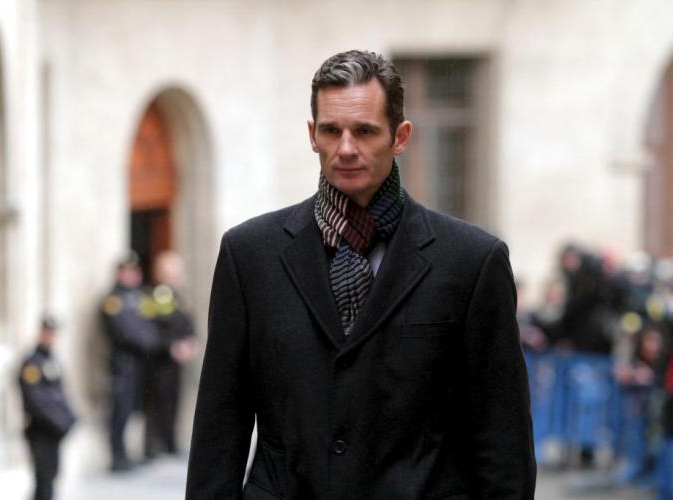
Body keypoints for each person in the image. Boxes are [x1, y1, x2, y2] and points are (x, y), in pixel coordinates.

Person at [187, 50, 536, 499]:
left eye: (365, 131)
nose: (346, 148)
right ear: (312, 135)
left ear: (400, 136)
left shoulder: (471, 261)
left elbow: (503, 443)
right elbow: (219, 429)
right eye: (331, 130)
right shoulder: (249, 255)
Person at [101, 251, 164, 471]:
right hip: (123, 363)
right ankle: (117, 456)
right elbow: (124, 332)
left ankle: (136, 451)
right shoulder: (113, 301)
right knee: (121, 410)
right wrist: (148, 342)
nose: (134, 275)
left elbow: (153, 323)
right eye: (129, 271)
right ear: (120, 273)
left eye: (136, 271)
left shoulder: (141, 297)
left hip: (141, 364)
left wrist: (153, 341)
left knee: (137, 408)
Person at [144, 251, 198, 458]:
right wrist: (171, 346)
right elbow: (155, 326)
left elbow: (186, 322)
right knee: (158, 402)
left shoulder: (181, 294)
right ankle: (154, 445)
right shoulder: (157, 295)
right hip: (161, 360)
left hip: (178, 359)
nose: (175, 275)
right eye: (170, 271)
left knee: (175, 400)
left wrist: (191, 341)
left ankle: (170, 441)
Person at [18, 315, 76, 500]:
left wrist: (69, 418)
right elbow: (36, 401)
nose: (51, 337)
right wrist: (59, 422)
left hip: (53, 432)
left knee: (51, 476)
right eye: (48, 333)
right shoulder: (32, 364)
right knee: (43, 478)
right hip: (40, 430)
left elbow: (60, 394)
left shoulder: (52, 360)